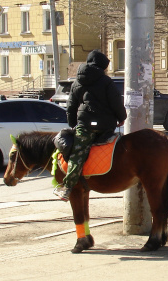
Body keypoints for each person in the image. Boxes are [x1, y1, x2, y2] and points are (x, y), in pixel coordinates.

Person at [54, 50, 126, 201]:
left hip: (85, 125)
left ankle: (67, 188)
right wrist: (122, 118)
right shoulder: (106, 82)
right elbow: (116, 103)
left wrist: (74, 125)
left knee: (77, 155)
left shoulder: (77, 82)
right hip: (106, 126)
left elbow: (71, 106)